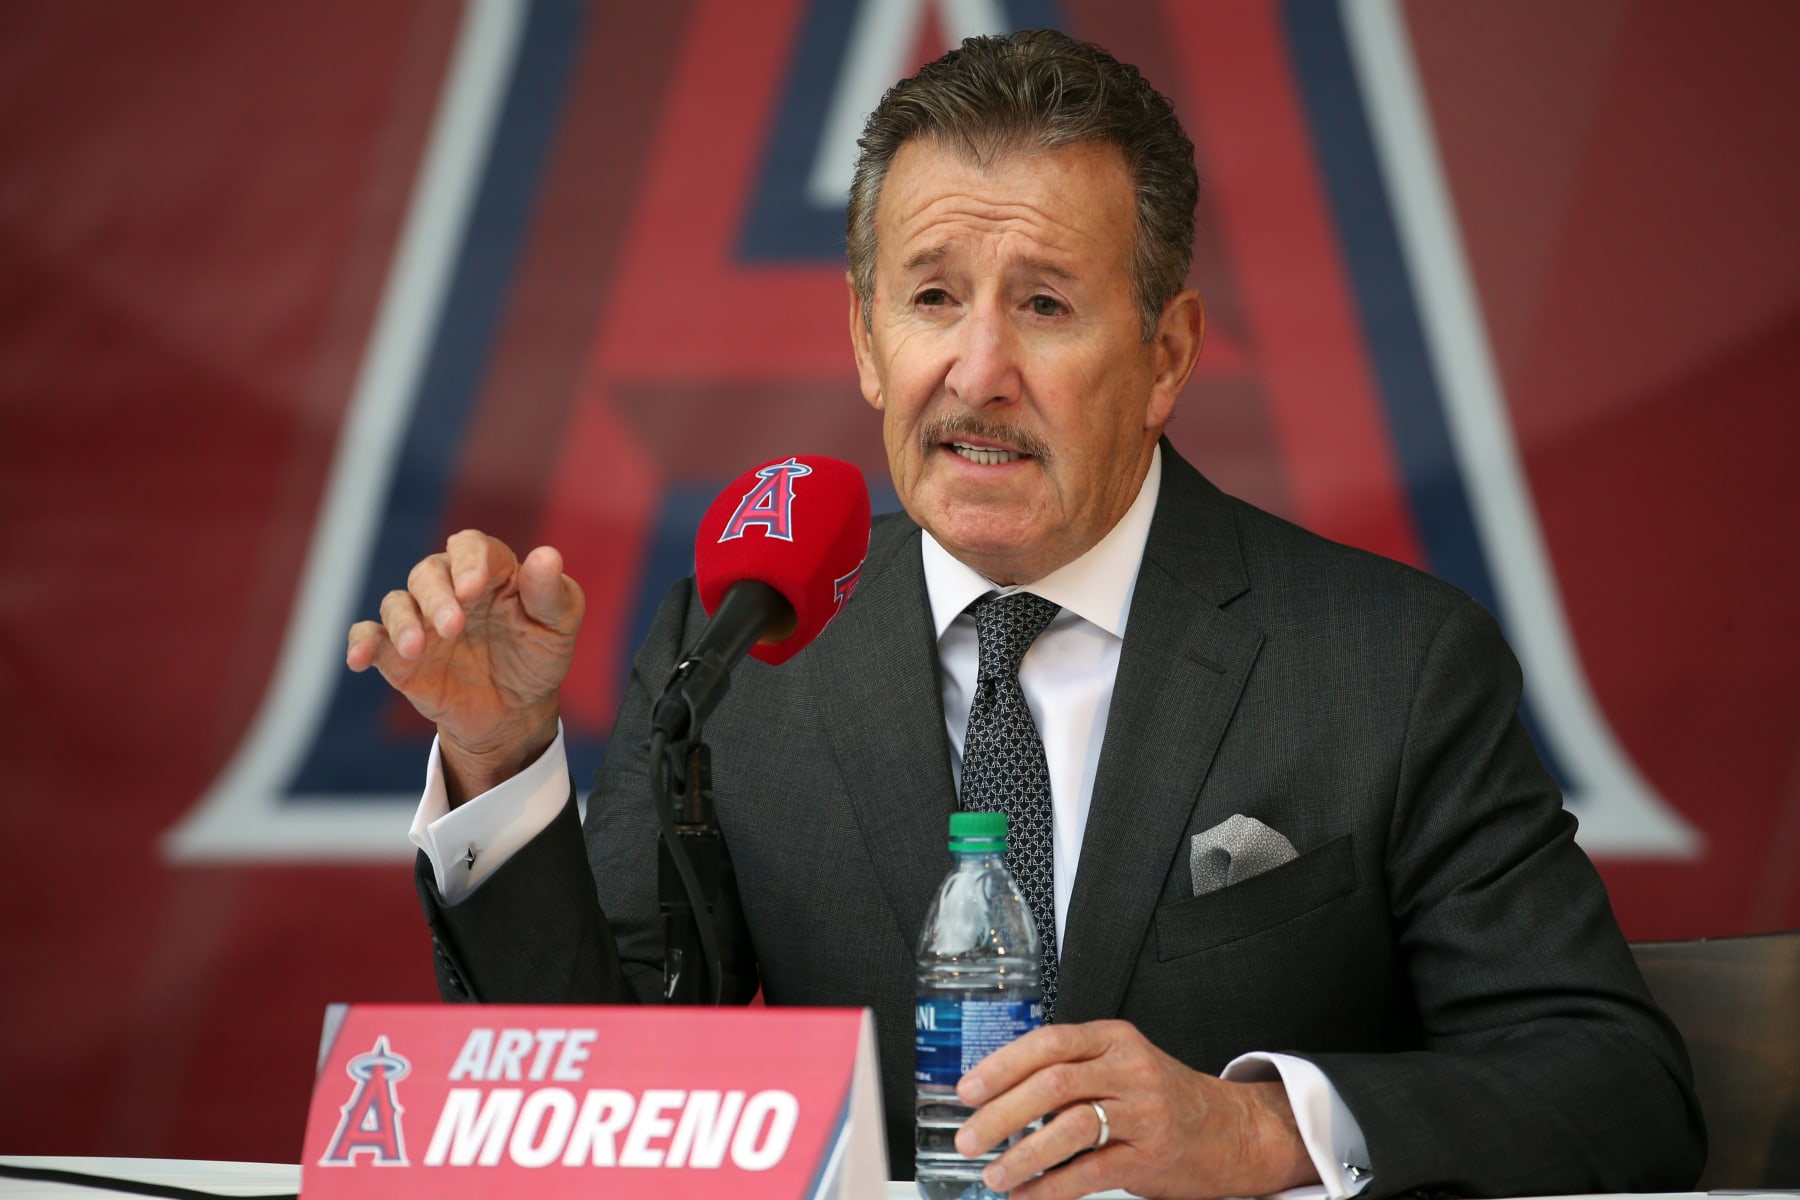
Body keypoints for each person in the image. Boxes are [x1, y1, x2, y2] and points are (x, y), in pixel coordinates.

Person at [346, 30, 1703, 1200]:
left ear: (1166, 355)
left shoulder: (1391, 666)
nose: (978, 371)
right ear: (869, 341)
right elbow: (598, 1096)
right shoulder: (744, 637)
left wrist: (1256, 1129)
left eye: (1045, 306)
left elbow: (1615, 1089)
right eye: (932, 299)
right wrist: (505, 761)